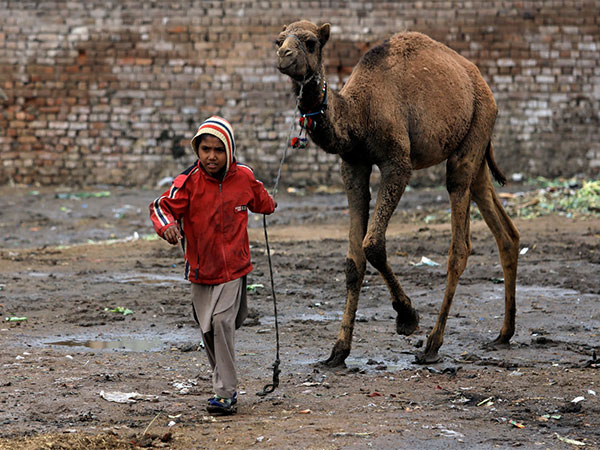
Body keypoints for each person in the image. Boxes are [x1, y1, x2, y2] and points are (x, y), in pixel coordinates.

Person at [149, 116, 276, 415]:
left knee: (221, 322)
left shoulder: (244, 177)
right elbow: (161, 207)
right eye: (205, 149)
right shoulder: (188, 182)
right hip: (201, 268)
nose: (211, 156)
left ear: (229, 151)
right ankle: (223, 381)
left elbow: (262, 201)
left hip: (234, 268)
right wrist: (167, 227)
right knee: (207, 330)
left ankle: (226, 393)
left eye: (219, 150)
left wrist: (270, 203)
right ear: (197, 149)